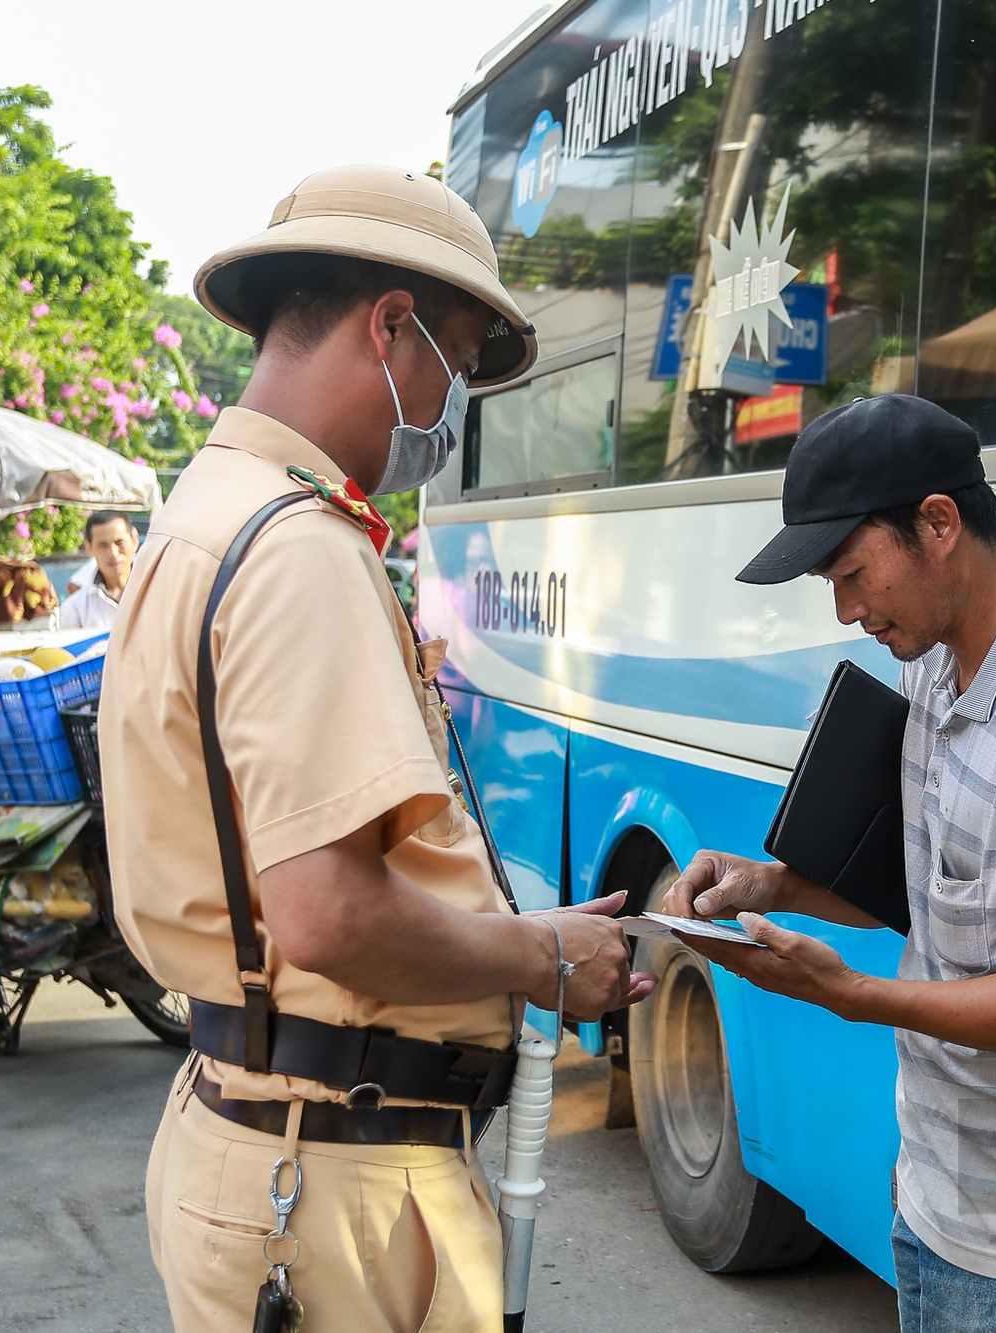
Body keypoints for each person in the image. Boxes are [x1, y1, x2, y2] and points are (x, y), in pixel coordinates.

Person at [98, 165, 656, 1333]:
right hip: (331, 1180)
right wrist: (536, 957)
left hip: (268, 1142)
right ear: (391, 327)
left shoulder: (209, 506)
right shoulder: (297, 546)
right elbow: (328, 915)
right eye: (455, 360)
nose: (455, 407)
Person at [661, 395, 996, 1333]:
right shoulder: (934, 666)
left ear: (939, 524)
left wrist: (853, 994)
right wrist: (773, 884)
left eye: (853, 573)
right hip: (937, 1187)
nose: (848, 609)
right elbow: (931, 891)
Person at [53, 511, 139, 630]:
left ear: (134, 541)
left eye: (119, 543)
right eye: (103, 545)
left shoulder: (160, 592)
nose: (113, 553)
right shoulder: (75, 608)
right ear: (89, 548)